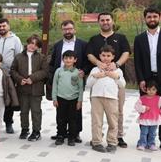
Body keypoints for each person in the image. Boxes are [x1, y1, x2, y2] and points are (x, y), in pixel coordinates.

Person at [133, 7, 161, 152]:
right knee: (145, 110)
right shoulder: (139, 39)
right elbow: (137, 62)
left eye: (154, 16)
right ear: (145, 19)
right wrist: (141, 79)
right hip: (147, 81)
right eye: (149, 17)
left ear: (159, 18)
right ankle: (145, 140)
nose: (152, 19)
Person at [86, 12, 131, 148]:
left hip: (115, 81)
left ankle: (118, 137)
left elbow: (126, 53)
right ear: (99, 22)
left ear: (112, 21)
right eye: (102, 20)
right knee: (97, 115)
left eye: (107, 20)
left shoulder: (121, 38)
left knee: (118, 111)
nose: (105, 22)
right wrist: (98, 63)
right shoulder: (94, 39)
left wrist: (116, 65)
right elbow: (89, 54)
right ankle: (97, 138)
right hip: (98, 84)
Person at [48, 20, 88, 142]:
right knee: (61, 111)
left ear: (74, 29)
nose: (67, 31)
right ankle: (61, 132)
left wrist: (84, 71)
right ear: (62, 31)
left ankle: (75, 133)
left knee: (75, 111)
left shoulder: (83, 44)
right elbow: (52, 62)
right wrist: (52, 77)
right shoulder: (58, 45)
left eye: (70, 29)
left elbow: (87, 62)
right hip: (61, 82)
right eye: (65, 29)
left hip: (76, 79)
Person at [86, 45, 126, 153]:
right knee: (97, 121)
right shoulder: (95, 69)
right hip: (96, 97)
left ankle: (112, 142)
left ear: (113, 57)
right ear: (100, 56)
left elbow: (122, 84)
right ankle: (96, 142)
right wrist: (96, 76)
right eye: (103, 55)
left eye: (108, 56)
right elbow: (88, 84)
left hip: (112, 98)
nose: (106, 58)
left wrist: (115, 76)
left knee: (113, 121)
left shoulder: (118, 71)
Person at [10, 35, 48, 142]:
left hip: (36, 88)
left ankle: (36, 131)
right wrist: (19, 79)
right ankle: (24, 129)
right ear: (27, 43)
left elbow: (45, 71)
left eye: (36, 44)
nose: (33, 46)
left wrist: (32, 78)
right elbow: (13, 70)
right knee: (24, 110)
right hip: (23, 88)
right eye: (31, 43)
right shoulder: (18, 57)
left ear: (38, 47)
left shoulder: (42, 57)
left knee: (36, 111)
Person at [51, 50, 84, 146]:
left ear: (75, 60)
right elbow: (55, 85)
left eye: (70, 58)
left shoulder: (78, 73)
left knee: (72, 119)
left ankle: (71, 137)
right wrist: (54, 98)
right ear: (63, 59)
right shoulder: (59, 71)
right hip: (61, 98)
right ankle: (60, 135)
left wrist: (80, 101)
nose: (68, 60)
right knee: (60, 118)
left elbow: (80, 88)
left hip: (73, 99)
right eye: (66, 58)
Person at [134, 80, 161, 151]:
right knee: (144, 132)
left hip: (154, 119)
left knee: (152, 133)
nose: (151, 91)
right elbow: (136, 106)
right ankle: (142, 144)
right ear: (146, 89)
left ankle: (151, 144)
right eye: (149, 89)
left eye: (153, 89)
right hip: (145, 119)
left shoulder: (158, 99)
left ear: (156, 90)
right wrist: (144, 108)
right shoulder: (142, 98)